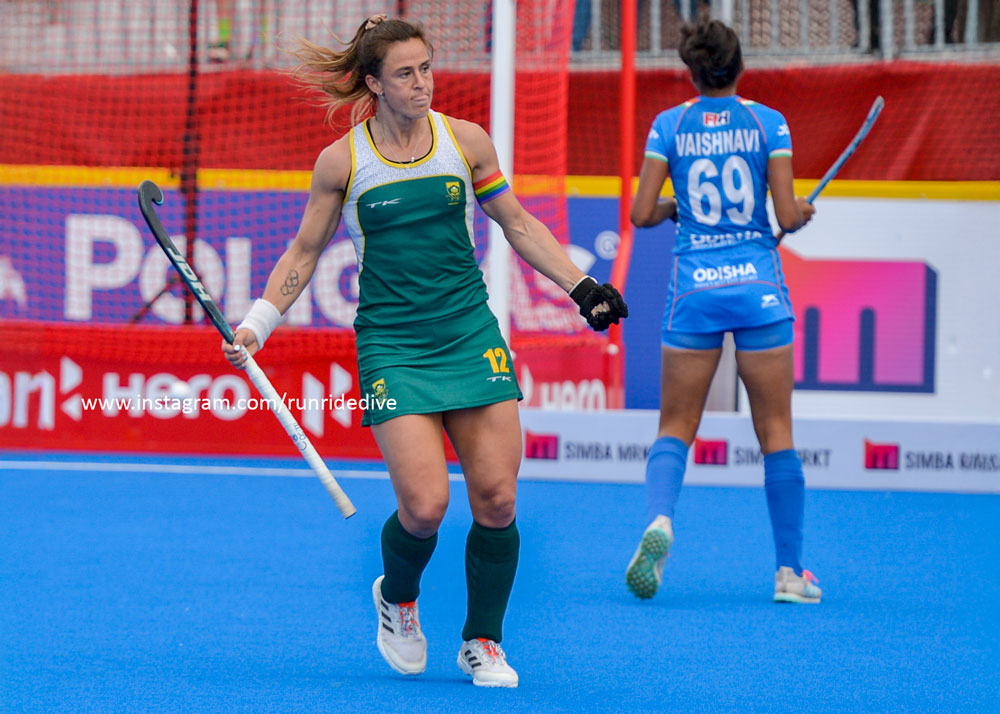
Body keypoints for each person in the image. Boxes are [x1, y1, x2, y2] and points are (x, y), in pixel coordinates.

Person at [222, 14, 627, 687]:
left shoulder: (465, 142)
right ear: (374, 84)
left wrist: (581, 288)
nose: (422, 83)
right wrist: (257, 324)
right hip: (394, 347)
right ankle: (397, 597)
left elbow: (518, 223)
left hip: (469, 334)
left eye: (426, 68)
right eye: (405, 73)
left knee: (497, 500)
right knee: (425, 507)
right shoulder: (342, 162)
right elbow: (303, 252)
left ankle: (482, 643)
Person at [623, 18, 821, 605]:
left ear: (692, 71)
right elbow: (786, 216)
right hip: (757, 286)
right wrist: (801, 211)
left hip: (695, 290)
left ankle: (661, 520)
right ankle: (790, 574)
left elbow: (641, 214)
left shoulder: (669, 124)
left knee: (675, 427)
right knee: (777, 432)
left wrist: (676, 207)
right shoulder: (768, 122)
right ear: (740, 66)